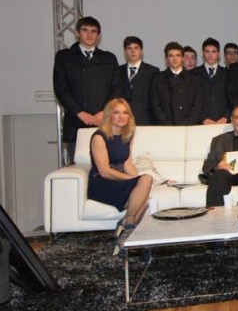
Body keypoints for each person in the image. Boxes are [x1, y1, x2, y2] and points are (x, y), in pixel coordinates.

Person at [86, 98, 152, 254]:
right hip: (101, 183)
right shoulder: (99, 137)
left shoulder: (128, 134)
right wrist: (134, 181)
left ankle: (125, 236)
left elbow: (127, 163)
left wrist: (138, 182)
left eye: (125, 113)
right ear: (109, 115)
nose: (121, 117)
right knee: (146, 180)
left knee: (145, 198)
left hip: (117, 180)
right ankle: (128, 223)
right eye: (116, 113)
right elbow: (105, 171)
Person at [53, 16, 121, 163]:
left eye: (93, 31)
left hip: (104, 122)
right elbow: (61, 89)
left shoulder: (109, 58)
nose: (89, 35)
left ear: (98, 35)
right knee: (78, 166)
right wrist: (79, 112)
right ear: (77, 33)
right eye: (85, 30)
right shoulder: (64, 57)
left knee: (107, 166)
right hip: (76, 122)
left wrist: (103, 112)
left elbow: (116, 89)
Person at [151, 41, 203, 125]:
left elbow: (197, 106)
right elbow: (155, 105)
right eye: (171, 56)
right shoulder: (158, 79)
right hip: (165, 127)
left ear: (182, 58)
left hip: (188, 127)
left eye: (178, 55)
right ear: (166, 59)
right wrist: (167, 124)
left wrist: (187, 124)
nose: (175, 59)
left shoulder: (194, 79)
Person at [119, 36, 159, 126]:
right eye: (129, 48)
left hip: (145, 120)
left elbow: (155, 99)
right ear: (125, 51)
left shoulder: (152, 71)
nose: (133, 51)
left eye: (136, 48)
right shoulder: (118, 71)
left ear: (141, 51)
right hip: (123, 120)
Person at [193, 37, 229, 125]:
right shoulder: (193, 74)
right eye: (207, 51)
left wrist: (225, 117)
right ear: (203, 53)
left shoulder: (227, 73)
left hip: (224, 123)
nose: (210, 55)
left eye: (213, 51)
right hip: (201, 123)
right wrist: (203, 119)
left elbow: (231, 98)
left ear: (219, 53)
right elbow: (191, 100)